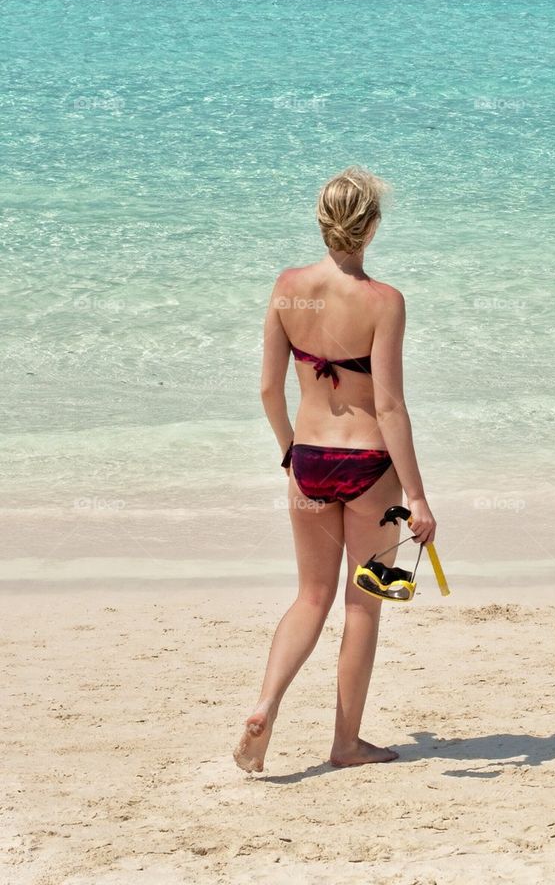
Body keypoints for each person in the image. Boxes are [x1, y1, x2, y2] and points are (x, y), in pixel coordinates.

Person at [233, 166, 437, 773]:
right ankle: (346, 743)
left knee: (309, 596)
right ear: (371, 227)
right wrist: (419, 499)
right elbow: (390, 405)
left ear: (321, 221)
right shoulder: (384, 301)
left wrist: (289, 450)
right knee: (360, 604)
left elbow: (270, 388)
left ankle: (266, 705)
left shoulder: (287, 287)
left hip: (310, 461)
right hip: (370, 466)